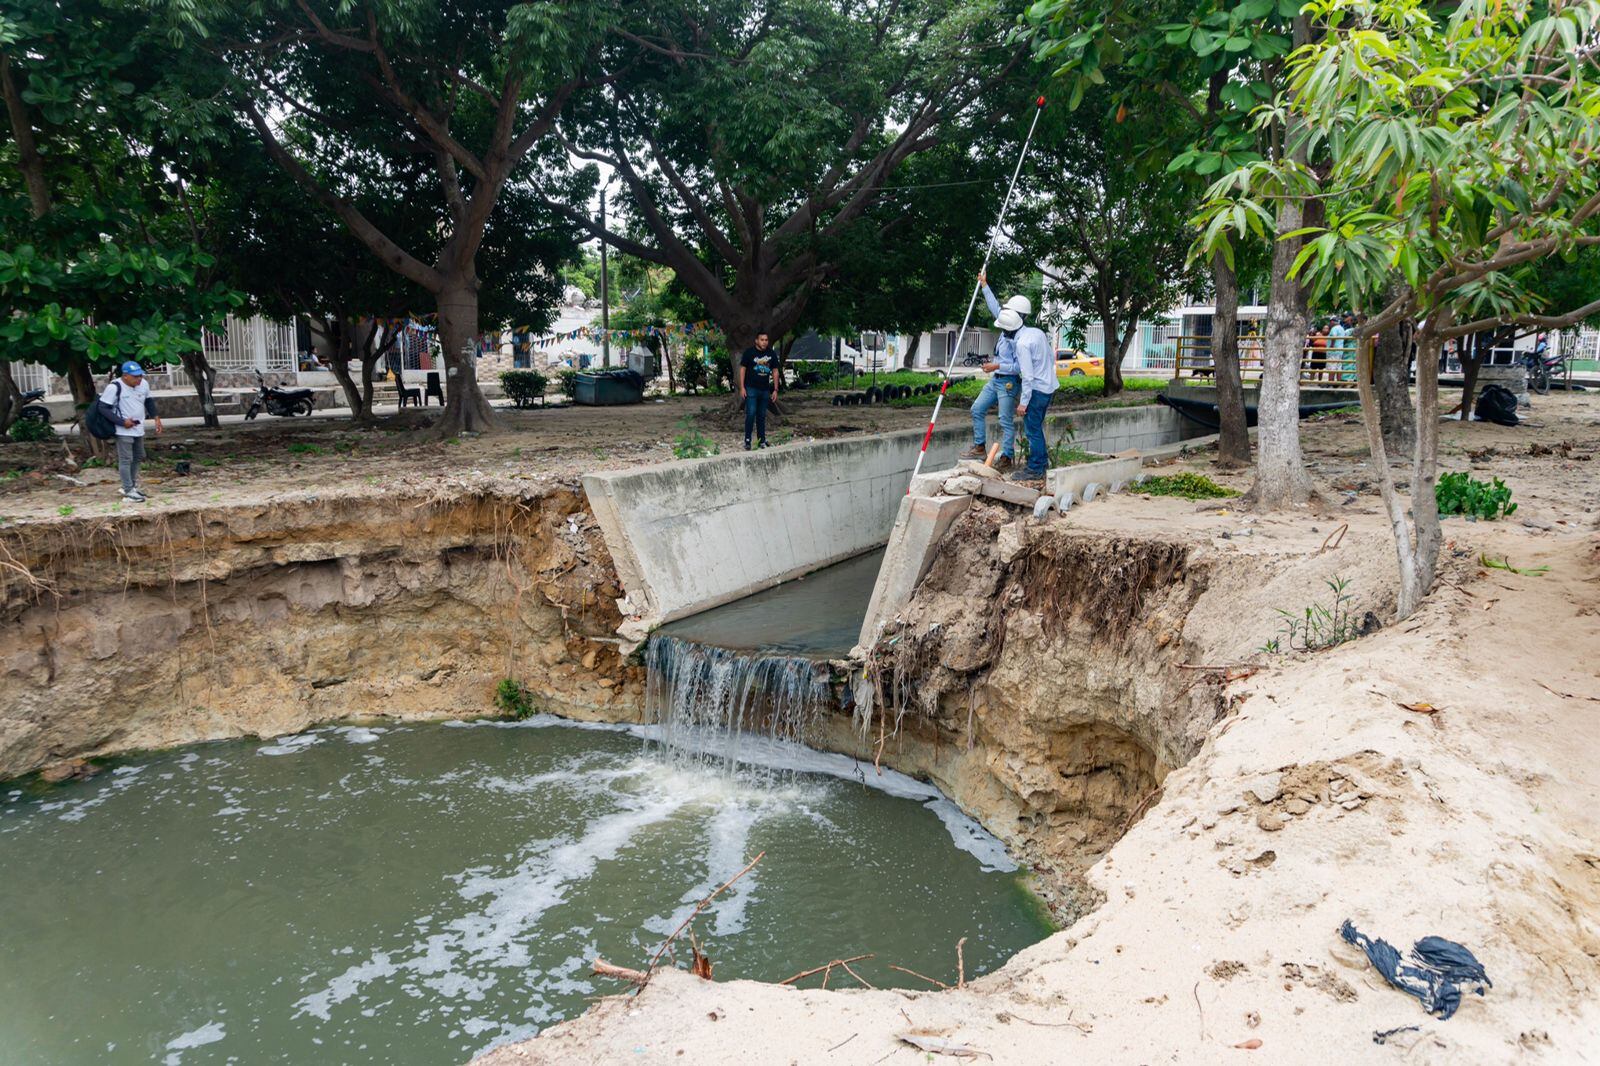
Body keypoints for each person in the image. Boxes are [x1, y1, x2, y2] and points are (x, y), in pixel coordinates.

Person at [959, 271, 1026, 472]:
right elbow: (994, 308)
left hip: (1008, 382)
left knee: (1004, 420)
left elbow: (1019, 367)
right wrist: (984, 285)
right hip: (995, 379)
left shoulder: (1020, 339)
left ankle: (1007, 456)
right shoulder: (1007, 323)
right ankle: (980, 446)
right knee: (976, 409)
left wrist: (996, 366)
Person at [98, 361, 162, 502]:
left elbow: (148, 401)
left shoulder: (143, 384)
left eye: (140, 376)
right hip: (123, 430)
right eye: (135, 377)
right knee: (126, 459)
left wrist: (156, 417)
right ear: (125, 376)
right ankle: (128, 490)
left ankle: (131, 485)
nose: (139, 379)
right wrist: (122, 422)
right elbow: (103, 408)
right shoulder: (114, 387)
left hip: (138, 428)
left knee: (138, 456)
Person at [1009, 300, 1055, 483]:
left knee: (1032, 430)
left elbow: (1027, 377)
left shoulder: (1021, 344)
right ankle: (1041, 464)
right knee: (1036, 428)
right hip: (1048, 387)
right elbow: (1050, 357)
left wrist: (1023, 402)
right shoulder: (1037, 333)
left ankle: (1036, 469)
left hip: (1036, 390)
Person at [738, 331, 779, 449]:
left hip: (765, 389)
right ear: (756, 341)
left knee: (761, 415)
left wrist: (775, 389)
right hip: (751, 388)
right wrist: (742, 387)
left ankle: (761, 440)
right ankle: (747, 440)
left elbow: (775, 371)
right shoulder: (749, 353)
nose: (764, 342)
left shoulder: (771, 354)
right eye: (762, 340)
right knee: (751, 413)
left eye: (766, 340)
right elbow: (742, 369)